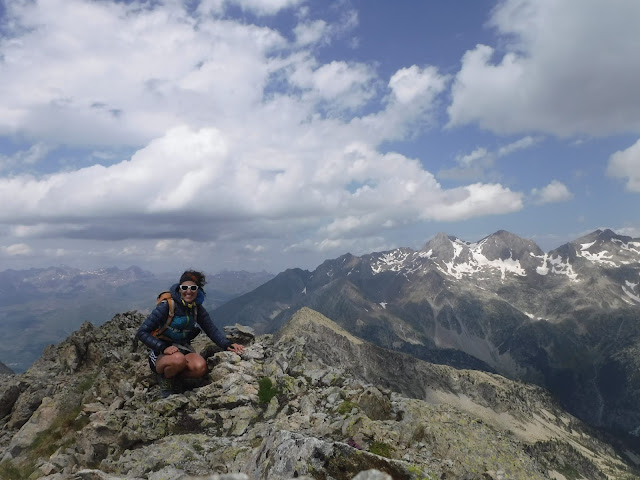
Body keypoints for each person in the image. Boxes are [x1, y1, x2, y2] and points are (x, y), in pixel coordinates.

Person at [136, 270, 244, 397]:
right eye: (185, 287)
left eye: (193, 288)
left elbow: (211, 329)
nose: (189, 291)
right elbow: (142, 332)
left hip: (183, 349)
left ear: (198, 290)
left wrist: (227, 344)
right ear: (179, 288)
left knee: (200, 367)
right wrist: (163, 347)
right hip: (160, 354)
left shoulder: (196, 308)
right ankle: (165, 380)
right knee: (178, 360)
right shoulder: (167, 306)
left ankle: (175, 379)